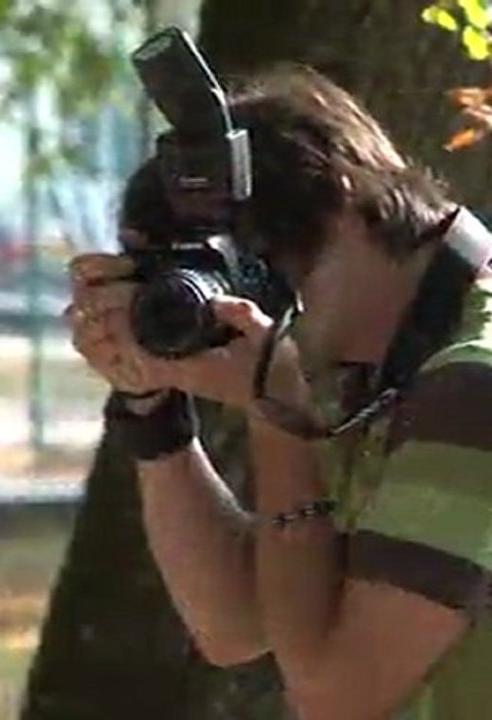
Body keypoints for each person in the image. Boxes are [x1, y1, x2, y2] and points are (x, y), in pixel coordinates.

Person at [67, 65, 492, 719]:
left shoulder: (472, 382)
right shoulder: (382, 368)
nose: (247, 298)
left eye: (260, 262)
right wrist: (152, 410)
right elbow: (237, 622)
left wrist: (278, 418)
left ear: (347, 195)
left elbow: (337, 693)